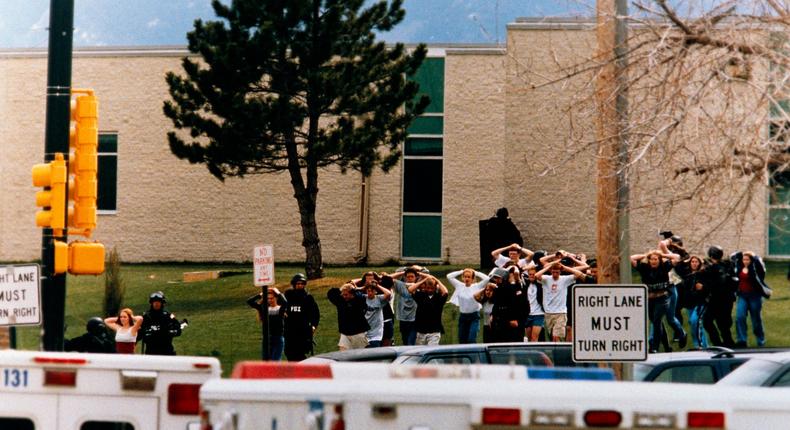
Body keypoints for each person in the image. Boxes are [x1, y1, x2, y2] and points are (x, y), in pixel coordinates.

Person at [630, 248, 684, 353]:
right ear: (649, 260)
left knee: (657, 321)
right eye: (652, 259)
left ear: (659, 260)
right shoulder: (644, 268)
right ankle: (666, 347)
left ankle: (654, 347)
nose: (654, 261)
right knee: (656, 322)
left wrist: (662, 255)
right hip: (649, 299)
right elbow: (631, 258)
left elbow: (677, 257)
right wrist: (646, 255)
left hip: (663, 298)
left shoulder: (664, 267)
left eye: (656, 259)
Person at [535, 262, 585, 341]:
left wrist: (565, 267)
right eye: (553, 272)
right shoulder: (546, 278)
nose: (555, 274)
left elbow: (579, 274)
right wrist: (548, 267)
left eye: (557, 272)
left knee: (556, 336)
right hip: (548, 312)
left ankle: (558, 352)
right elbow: (536, 275)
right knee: (550, 337)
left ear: (560, 272)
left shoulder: (564, 279)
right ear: (551, 271)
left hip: (561, 312)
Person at [698, 246, 736, 348]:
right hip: (719, 299)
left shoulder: (720, 268)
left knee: (720, 323)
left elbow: (718, 282)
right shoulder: (723, 266)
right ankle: (719, 343)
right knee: (710, 321)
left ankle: (726, 344)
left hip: (721, 300)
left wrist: (704, 285)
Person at [732, 251, 768, 348]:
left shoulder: (756, 269)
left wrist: (754, 256)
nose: (745, 261)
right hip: (742, 296)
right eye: (744, 259)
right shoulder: (739, 268)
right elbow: (733, 260)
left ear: (751, 260)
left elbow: (762, 270)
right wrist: (738, 255)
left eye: (747, 259)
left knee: (756, 320)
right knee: (740, 317)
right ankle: (742, 340)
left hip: (755, 297)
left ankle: (761, 340)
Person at [282, 273, 320, 361]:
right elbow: (279, 304)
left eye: (302, 284)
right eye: (298, 284)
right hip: (289, 329)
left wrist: (314, 325)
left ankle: (303, 370)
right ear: (294, 284)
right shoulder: (288, 295)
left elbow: (315, 313)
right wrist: (282, 311)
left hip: (302, 329)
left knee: (300, 353)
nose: (300, 286)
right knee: (289, 352)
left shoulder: (308, 297)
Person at [447, 268, 489, 343]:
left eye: (469, 277)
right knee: (462, 340)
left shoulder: (477, 286)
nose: (467, 278)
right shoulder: (459, 285)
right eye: (465, 276)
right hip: (463, 317)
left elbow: (487, 278)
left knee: (471, 339)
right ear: (463, 278)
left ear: (472, 279)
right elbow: (449, 276)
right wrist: (462, 271)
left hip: (474, 317)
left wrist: (475, 272)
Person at [246, 287, 287, 360]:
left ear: (276, 298)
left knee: (275, 362)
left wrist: (278, 292)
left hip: (278, 338)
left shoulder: (280, 309)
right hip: (267, 339)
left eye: (272, 298)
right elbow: (249, 302)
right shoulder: (264, 309)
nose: (270, 300)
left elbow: (285, 302)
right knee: (266, 362)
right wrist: (260, 295)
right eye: (268, 298)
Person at [408, 275, 449, 345]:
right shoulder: (421, 295)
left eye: (432, 288)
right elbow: (410, 289)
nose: (430, 290)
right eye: (428, 288)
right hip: (421, 331)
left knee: (432, 351)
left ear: (435, 287)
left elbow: (445, 292)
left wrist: (437, 280)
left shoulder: (438, 297)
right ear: (425, 287)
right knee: (420, 352)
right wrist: (424, 280)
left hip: (434, 331)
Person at [327, 283, 369, 350]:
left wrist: (356, 289)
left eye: (346, 295)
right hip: (345, 333)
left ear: (352, 294)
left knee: (360, 356)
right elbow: (331, 292)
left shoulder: (358, 300)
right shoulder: (340, 301)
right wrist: (344, 288)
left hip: (358, 333)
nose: (344, 296)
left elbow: (360, 296)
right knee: (344, 356)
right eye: (342, 294)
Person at [140, 291, 182, 355]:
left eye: (158, 302)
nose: (156, 304)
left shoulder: (169, 315)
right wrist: (147, 332)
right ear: (151, 303)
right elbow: (139, 333)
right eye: (154, 302)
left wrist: (170, 332)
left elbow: (178, 329)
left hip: (167, 351)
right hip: (151, 351)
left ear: (162, 303)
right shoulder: (145, 316)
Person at [363, 281, 392, 348]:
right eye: (368, 291)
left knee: (374, 351)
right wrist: (362, 287)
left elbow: (388, 293)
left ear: (376, 291)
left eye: (372, 291)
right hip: (365, 331)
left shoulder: (379, 299)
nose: (370, 293)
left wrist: (377, 285)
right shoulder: (363, 298)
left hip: (376, 333)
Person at [523, 266, 545, 342]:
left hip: (538, 314)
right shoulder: (525, 284)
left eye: (533, 274)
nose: (531, 276)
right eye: (530, 274)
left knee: (534, 338)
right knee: (529, 339)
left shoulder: (541, 284)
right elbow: (519, 271)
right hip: (528, 314)